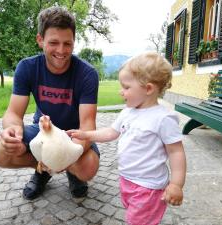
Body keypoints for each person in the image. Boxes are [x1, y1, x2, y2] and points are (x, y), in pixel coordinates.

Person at [0, 6, 100, 200]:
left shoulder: (87, 74)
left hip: (74, 134)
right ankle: (43, 170)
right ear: (40, 40)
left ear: (74, 42)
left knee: (88, 167)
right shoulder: (27, 67)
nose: (61, 50)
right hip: (43, 131)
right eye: (54, 42)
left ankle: (70, 172)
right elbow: (13, 113)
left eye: (68, 43)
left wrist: (66, 157)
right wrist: (13, 132)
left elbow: (88, 125)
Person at [67, 52, 186, 225]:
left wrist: (176, 184)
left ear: (148, 89)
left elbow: (176, 153)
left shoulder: (163, 119)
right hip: (127, 180)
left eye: (126, 87)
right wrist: (86, 134)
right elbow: (110, 132)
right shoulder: (128, 112)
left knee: (136, 221)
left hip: (148, 187)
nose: (121, 92)